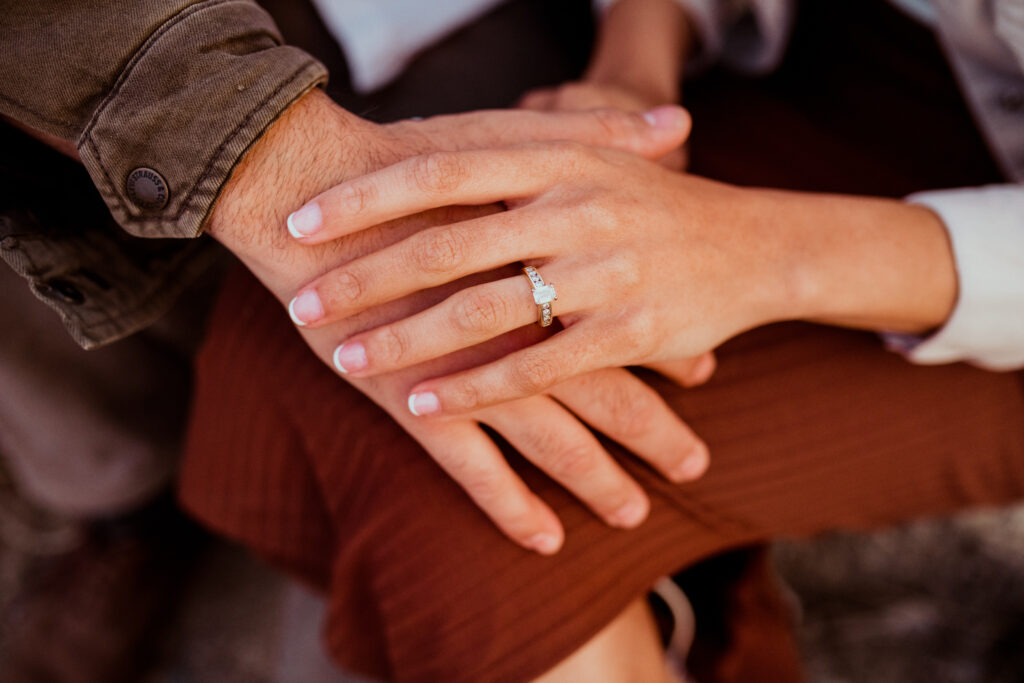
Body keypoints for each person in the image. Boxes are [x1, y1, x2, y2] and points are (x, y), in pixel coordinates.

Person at [179, 0, 1024, 681]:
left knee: (476, 526)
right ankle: (678, 606)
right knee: (327, 316)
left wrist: (763, 253)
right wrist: (633, 68)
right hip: (815, 55)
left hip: (975, 269)